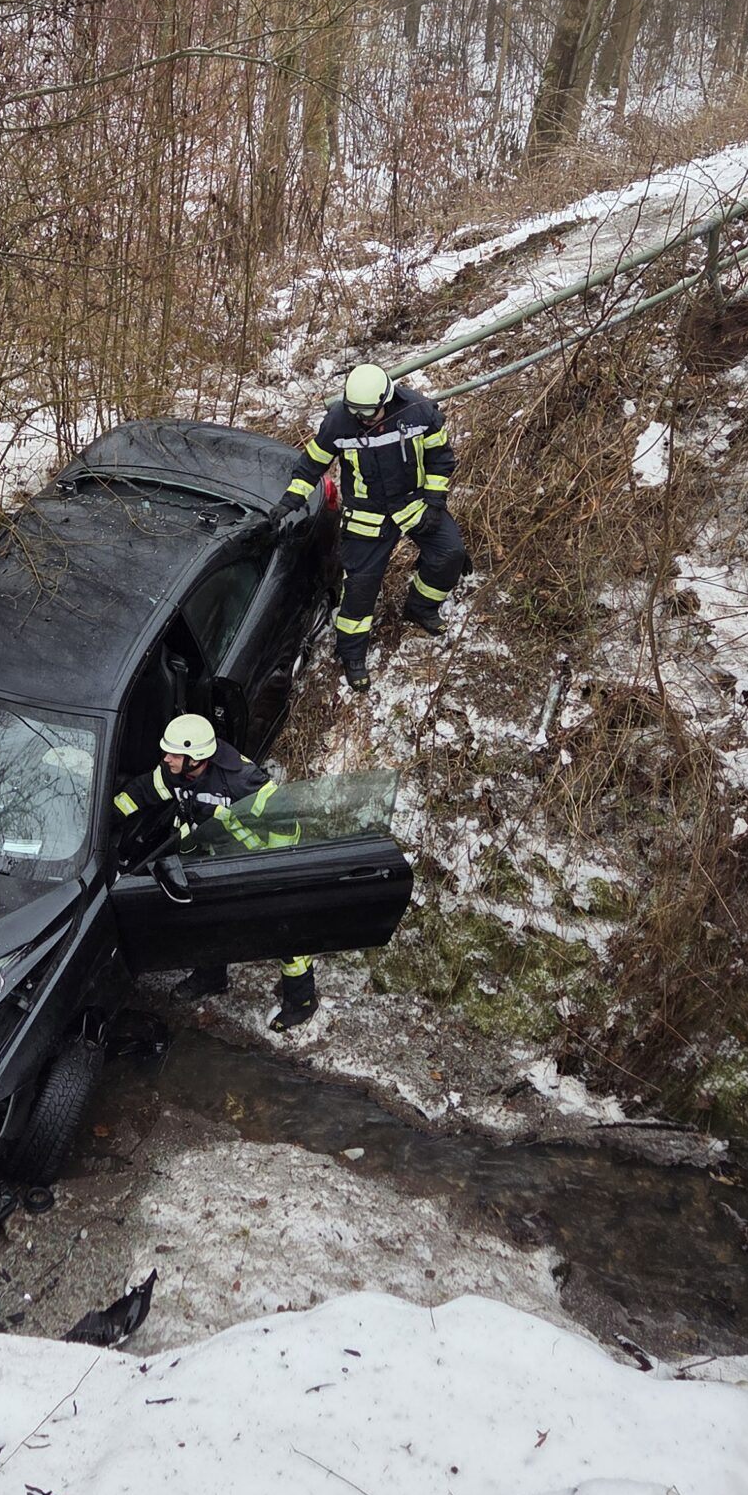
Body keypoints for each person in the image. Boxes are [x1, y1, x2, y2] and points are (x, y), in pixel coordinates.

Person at [112, 711, 320, 1030]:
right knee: (208, 921)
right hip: (211, 862)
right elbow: (141, 792)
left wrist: (277, 865)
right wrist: (109, 817)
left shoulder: (240, 780)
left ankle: (301, 1002)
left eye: (173, 753)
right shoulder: (173, 774)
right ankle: (211, 977)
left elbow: (283, 815)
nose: (165, 758)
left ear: (195, 759)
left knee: (284, 932)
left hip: (255, 864)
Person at [280, 362, 466, 692]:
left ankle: (421, 607)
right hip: (368, 514)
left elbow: (441, 457)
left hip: (414, 503)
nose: (365, 420)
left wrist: (435, 503)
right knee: (360, 588)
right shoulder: (339, 421)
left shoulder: (419, 412)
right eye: (359, 414)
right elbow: (312, 464)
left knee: (450, 554)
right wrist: (291, 499)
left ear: (387, 399)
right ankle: (352, 654)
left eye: (371, 413)